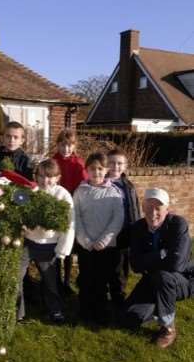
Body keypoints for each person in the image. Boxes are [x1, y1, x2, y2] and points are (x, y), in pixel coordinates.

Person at [122, 188, 194, 348]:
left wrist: (148, 261)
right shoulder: (138, 228)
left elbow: (176, 265)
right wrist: (162, 253)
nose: (153, 212)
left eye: (158, 208)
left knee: (163, 277)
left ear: (167, 210)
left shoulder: (178, 224)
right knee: (128, 319)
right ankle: (159, 305)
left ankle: (168, 328)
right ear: (143, 207)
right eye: (149, 207)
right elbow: (135, 265)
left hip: (183, 279)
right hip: (153, 279)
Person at [17, 159, 75, 323]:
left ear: (58, 177)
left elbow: (69, 224)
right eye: (41, 176)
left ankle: (55, 310)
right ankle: (17, 312)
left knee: (50, 281)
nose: (44, 180)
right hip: (27, 242)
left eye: (49, 177)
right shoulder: (30, 191)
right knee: (17, 278)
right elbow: (20, 210)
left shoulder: (63, 195)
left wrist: (63, 250)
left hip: (49, 246)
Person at [73, 152, 124, 323]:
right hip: (86, 245)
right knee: (86, 279)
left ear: (106, 170)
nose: (97, 173)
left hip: (106, 247)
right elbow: (75, 217)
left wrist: (104, 240)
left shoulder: (114, 193)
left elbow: (117, 219)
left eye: (100, 169)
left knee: (102, 280)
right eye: (93, 169)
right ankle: (85, 311)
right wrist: (85, 240)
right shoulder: (80, 191)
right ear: (87, 170)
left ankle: (101, 313)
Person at [53, 129, 87, 294]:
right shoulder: (53, 162)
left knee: (68, 246)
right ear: (58, 145)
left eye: (69, 146)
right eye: (62, 145)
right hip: (56, 208)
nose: (66, 149)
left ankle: (66, 282)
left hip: (72, 208)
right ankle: (56, 280)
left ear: (74, 146)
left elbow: (83, 186)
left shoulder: (78, 163)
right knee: (56, 245)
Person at [107, 147, 140, 303]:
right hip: (105, 233)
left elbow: (134, 209)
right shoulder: (101, 183)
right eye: (112, 163)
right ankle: (101, 294)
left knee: (121, 268)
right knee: (106, 266)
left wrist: (136, 230)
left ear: (125, 166)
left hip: (124, 233)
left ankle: (118, 296)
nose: (116, 167)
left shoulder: (128, 186)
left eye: (120, 163)